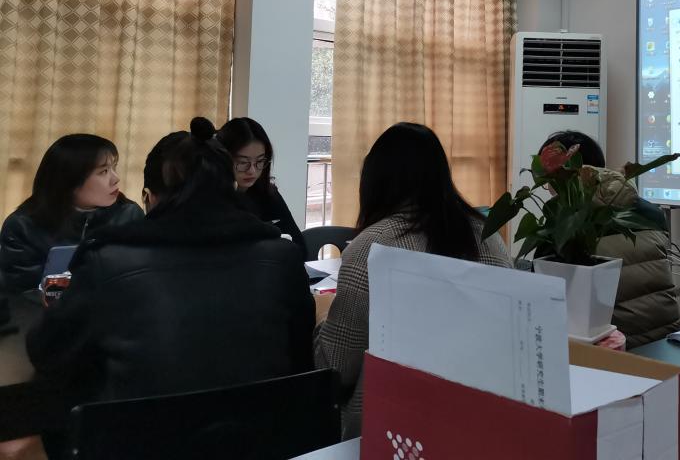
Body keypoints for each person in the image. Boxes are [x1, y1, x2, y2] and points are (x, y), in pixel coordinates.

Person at [27, 118, 314, 410]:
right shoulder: (282, 256)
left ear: (150, 197)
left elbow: (48, 352)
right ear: (230, 188)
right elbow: (301, 360)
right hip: (265, 427)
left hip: (142, 431)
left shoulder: (107, 261)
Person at [313, 123, 511, 439]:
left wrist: (322, 319)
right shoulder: (488, 236)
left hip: (391, 429)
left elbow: (337, 368)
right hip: (480, 421)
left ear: (375, 180)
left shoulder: (372, 246)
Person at [542, 130, 680, 348]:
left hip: (615, 351)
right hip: (667, 343)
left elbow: (546, 301)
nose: (548, 187)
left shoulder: (565, 225)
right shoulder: (651, 212)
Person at [0, 134, 143, 293]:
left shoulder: (129, 215)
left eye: (114, 168)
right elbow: (19, 294)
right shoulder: (23, 226)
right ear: (70, 180)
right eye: (103, 171)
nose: (115, 179)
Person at [217, 117, 305, 250]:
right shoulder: (208, 199)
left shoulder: (267, 193)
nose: (252, 171)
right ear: (221, 159)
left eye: (259, 161)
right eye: (242, 162)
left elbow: (300, 247)